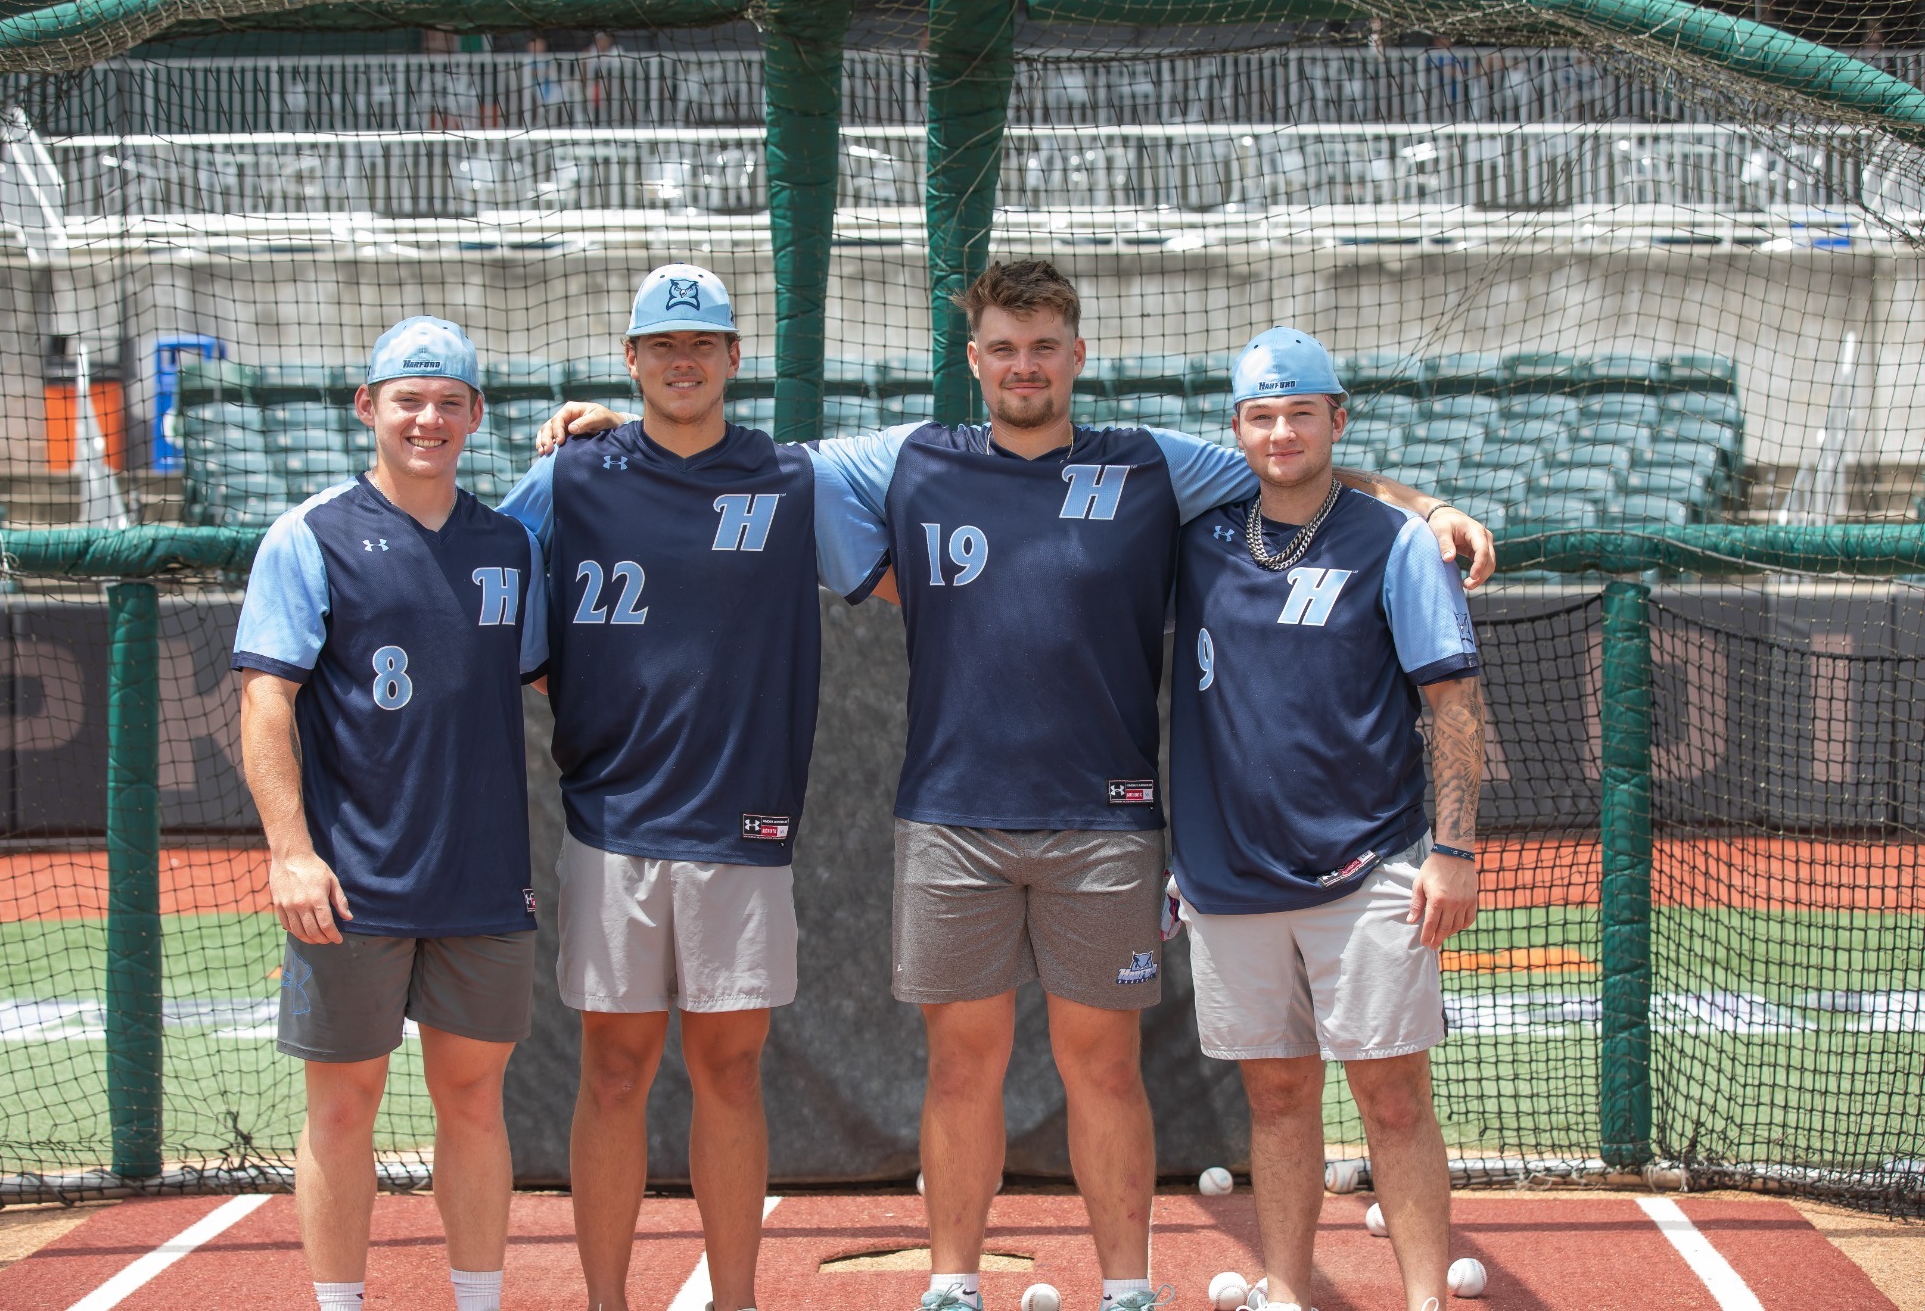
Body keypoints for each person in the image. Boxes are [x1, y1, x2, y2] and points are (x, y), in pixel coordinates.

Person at [539, 261, 1496, 1311]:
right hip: (951, 817)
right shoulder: (909, 458)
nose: (1023, 366)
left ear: (1075, 357)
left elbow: (1297, 471)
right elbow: (745, 460)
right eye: (1003, 348)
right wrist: (613, 430)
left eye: (1043, 347)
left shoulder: (1147, 465)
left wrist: (1423, 506)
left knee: (1102, 1065)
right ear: (973, 362)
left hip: (1106, 819)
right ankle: (953, 1283)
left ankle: (1125, 1288)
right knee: (959, 1065)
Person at [497, 264, 884, 1311]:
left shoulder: (789, 479)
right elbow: (483, 574)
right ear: (630, 359)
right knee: (613, 1069)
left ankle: (737, 1300)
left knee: (728, 1067)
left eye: (700, 343)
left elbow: (885, 569)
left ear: (732, 358)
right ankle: (607, 1301)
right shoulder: (568, 477)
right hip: (611, 817)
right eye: (661, 345)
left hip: (741, 819)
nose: (681, 360)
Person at [1168, 328, 1486, 1311]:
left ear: (1335, 419)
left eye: (1300, 411)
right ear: (1234, 429)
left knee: (1392, 1101)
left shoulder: (1391, 543)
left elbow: (1454, 707)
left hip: (1370, 867)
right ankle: (1282, 1288)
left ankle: (1424, 1297)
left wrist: (1452, 849)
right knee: (1273, 1097)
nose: (1279, 432)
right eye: (1259, 415)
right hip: (1227, 876)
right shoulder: (1196, 532)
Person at [236, 316, 549, 1311]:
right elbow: (264, 702)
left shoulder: (510, 544)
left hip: (483, 877)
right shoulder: (311, 535)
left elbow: (542, 680)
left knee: (471, 1099)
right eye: (407, 399)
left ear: (475, 417)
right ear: (366, 407)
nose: (428, 417)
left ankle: (477, 1299)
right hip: (352, 881)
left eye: (449, 401)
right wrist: (290, 851)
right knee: (342, 1107)